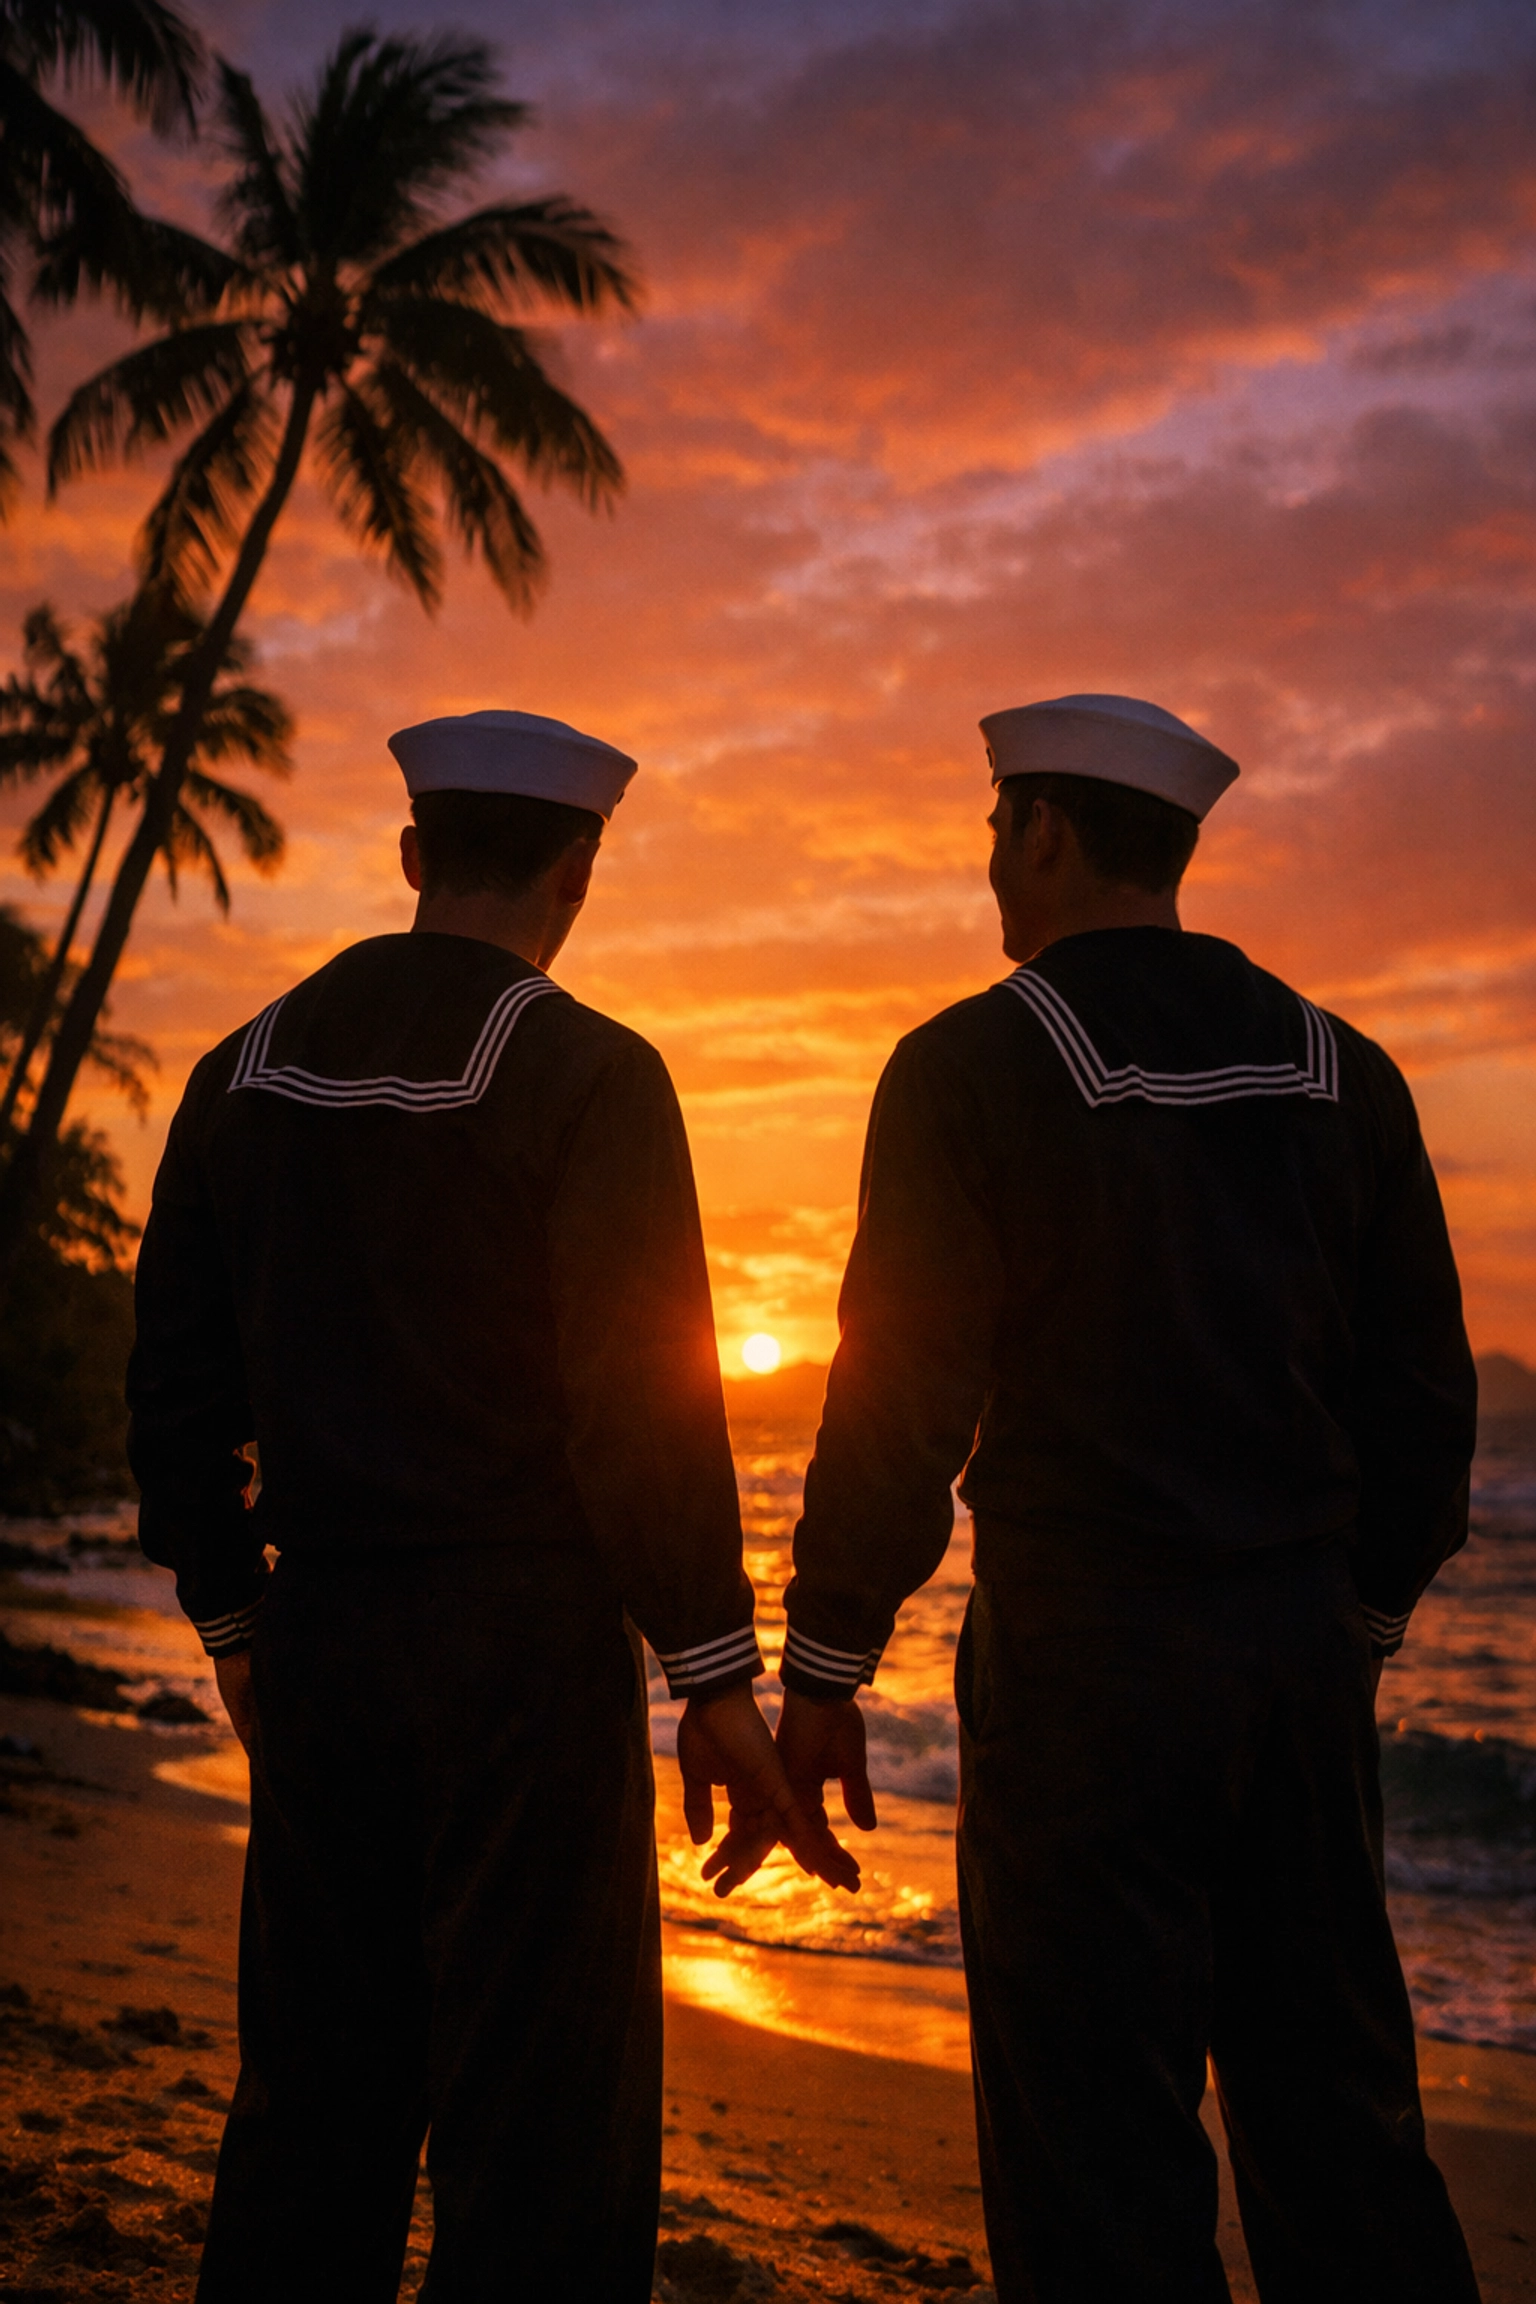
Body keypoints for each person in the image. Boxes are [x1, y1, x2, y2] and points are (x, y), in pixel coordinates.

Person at [127, 708, 856, 2304]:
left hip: (322, 1634)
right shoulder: (592, 1074)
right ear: (579, 870)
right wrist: (714, 1677)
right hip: (523, 1661)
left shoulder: (239, 1070)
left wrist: (236, 1619)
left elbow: (171, 1392)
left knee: (310, 2116)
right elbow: (640, 1410)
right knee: (538, 2145)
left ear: (412, 854)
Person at [774, 694, 1480, 2304]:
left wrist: (826, 1666)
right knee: (1343, 2125)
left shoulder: (968, 1067)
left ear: (1044, 831)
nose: (988, 864)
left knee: (1096, 2149)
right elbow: (1424, 1408)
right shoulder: (1346, 1071)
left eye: (994, 829)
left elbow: (901, 1401)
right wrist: (1356, 1624)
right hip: (1297, 1662)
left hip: (1081, 1667)